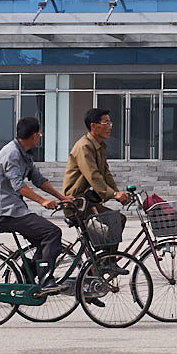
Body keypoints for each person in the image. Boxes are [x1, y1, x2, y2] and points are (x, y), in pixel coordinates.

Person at [0, 116, 66, 289]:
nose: (40, 137)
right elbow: (19, 186)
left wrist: (62, 198)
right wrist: (43, 201)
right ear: (34, 135)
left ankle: (25, 276)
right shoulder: (11, 154)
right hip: (7, 212)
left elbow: (38, 179)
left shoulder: (24, 154)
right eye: (39, 134)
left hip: (16, 210)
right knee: (52, 233)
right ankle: (46, 279)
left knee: (44, 242)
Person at [64, 107, 132, 253]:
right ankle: (108, 262)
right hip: (77, 203)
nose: (110, 127)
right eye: (106, 123)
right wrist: (113, 195)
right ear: (94, 126)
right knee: (116, 220)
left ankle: (99, 263)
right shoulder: (84, 146)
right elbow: (93, 175)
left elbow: (106, 174)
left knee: (110, 227)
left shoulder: (98, 146)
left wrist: (119, 194)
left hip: (87, 202)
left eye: (110, 123)